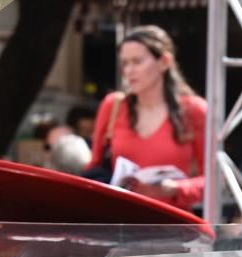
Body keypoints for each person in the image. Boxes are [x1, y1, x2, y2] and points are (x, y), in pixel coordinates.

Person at [86, 25, 206, 210]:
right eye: (124, 63)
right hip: (120, 224)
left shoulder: (194, 110)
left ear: (164, 62)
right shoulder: (113, 105)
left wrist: (177, 188)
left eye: (137, 61)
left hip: (172, 226)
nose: (129, 71)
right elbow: (93, 169)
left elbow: (213, 180)